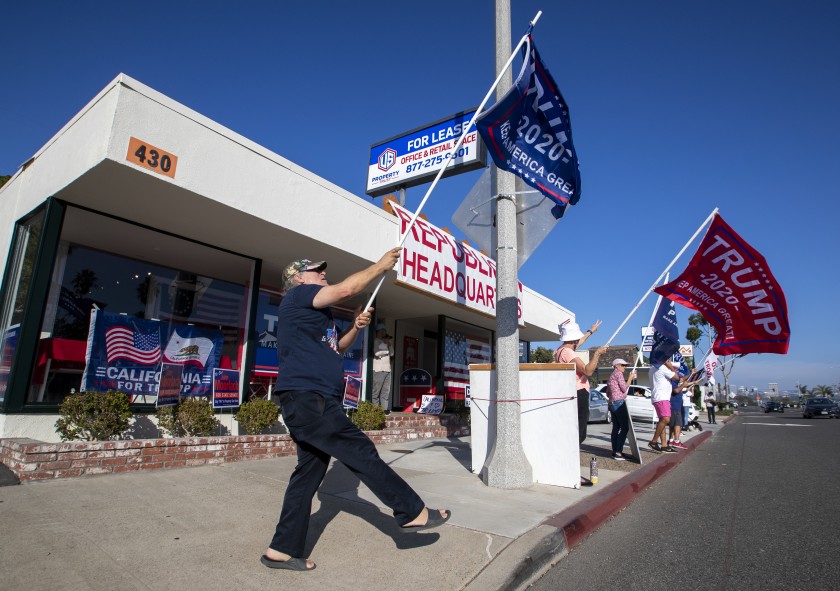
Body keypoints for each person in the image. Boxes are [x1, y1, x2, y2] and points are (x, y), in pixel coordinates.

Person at [263, 249, 450, 572]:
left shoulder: (313, 314)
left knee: (307, 477)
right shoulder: (298, 296)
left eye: (322, 271)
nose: (322, 273)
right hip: (310, 398)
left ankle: (280, 549)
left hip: (309, 401)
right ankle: (411, 512)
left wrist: (355, 328)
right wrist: (380, 266)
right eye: (314, 270)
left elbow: (339, 348)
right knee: (360, 451)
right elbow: (347, 289)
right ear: (297, 278)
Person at [554, 320, 607, 445]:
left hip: (574, 392)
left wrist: (591, 331)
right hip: (579, 392)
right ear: (574, 339)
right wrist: (597, 354)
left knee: (576, 427)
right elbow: (587, 371)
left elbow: (581, 341)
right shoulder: (568, 352)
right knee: (580, 430)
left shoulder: (561, 349)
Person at [648, 360, 687, 453]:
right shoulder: (662, 368)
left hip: (658, 397)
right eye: (667, 360)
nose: (668, 361)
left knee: (662, 420)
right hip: (662, 397)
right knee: (666, 419)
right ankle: (653, 442)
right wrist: (670, 366)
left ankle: (664, 445)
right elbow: (677, 377)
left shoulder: (652, 368)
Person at [606, 358, 636, 460]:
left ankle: (615, 451)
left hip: (612, 402)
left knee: (616, 427)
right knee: (624, 427)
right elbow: (624, 388)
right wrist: (630, 378)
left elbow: (607, 393)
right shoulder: (618, 374)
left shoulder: (611, 376)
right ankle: (618, 451)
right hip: (618, 402)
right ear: (616, 366)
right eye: (622, 365)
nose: (624, 367)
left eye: (625, 365)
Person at [371, 323, 394, 414]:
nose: (384, 333)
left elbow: (392, 354)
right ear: (378, 332)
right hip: (378, 369)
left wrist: (390, 345)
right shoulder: (376, 341)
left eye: (385, 331)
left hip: (387, 369)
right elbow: (376, 353)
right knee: (376, 391)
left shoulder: (386, 342)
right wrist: (386, 350)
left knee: (386, 391)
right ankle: (375, 411)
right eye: (382, 331)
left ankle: (384, 410)